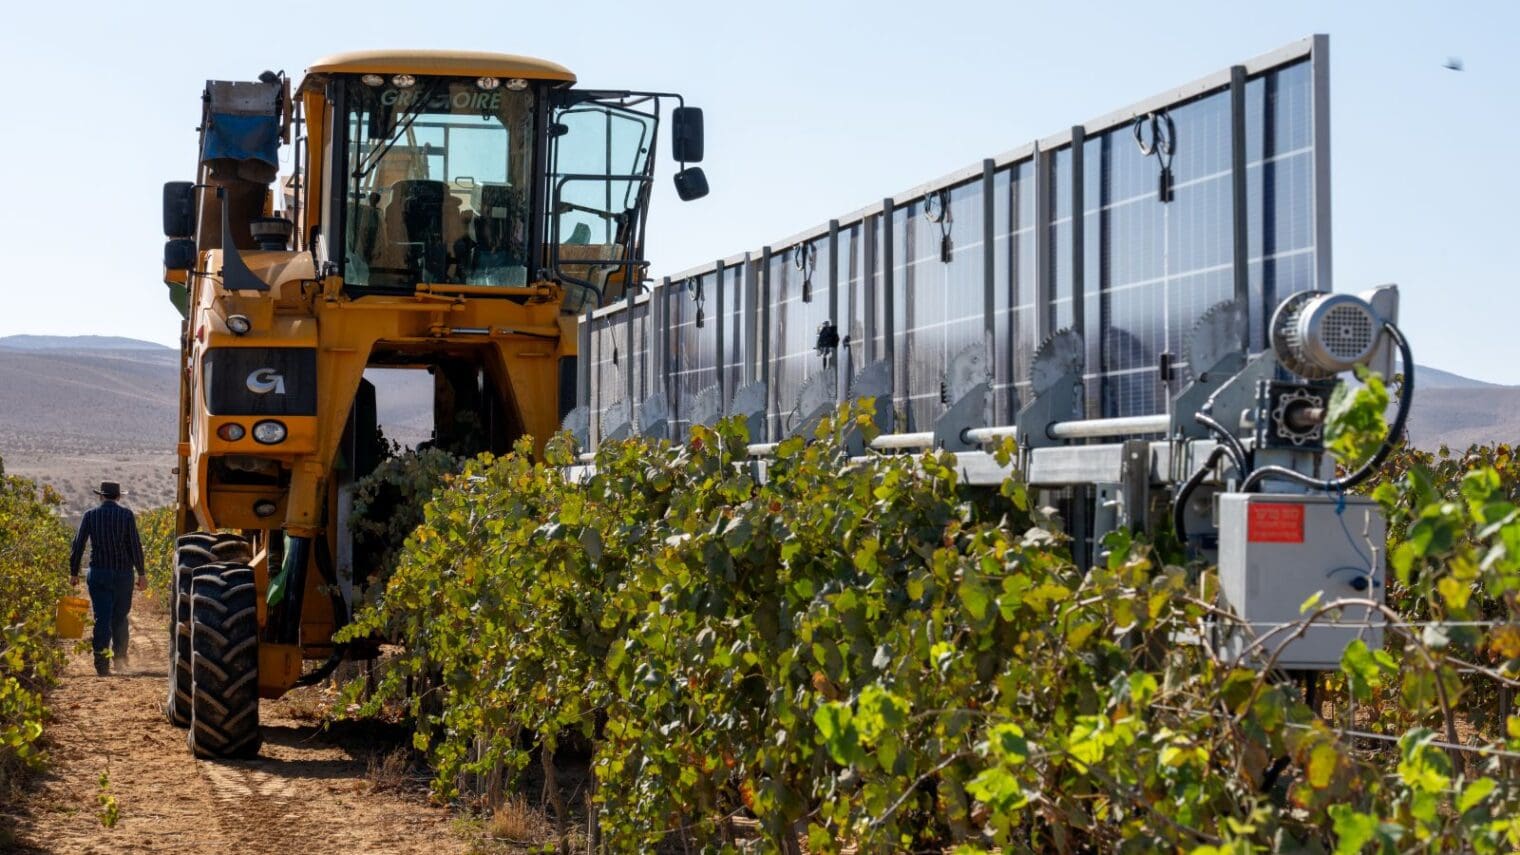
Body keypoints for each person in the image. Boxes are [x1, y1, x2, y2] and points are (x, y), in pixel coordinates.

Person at [69, 481, 146, 676]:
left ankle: (101, 665)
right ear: (118, 497)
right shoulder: (126, 515)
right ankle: (119, 659)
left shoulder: (90, 515)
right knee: (119, 617)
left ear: (100, 496)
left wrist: (73, 572)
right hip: (123, 574)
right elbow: (135, 546)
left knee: (101, 618)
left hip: (99, 573)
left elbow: (78, 545)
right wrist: (142, 574)